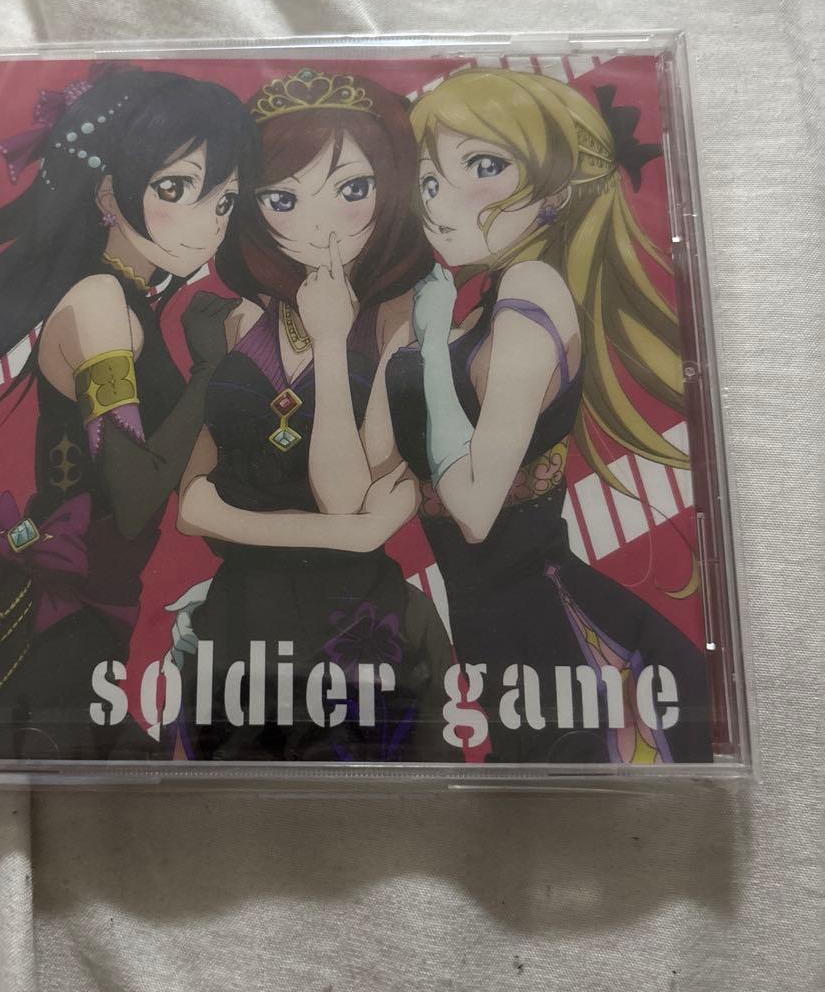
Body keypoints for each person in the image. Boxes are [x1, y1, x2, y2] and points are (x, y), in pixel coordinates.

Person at [385, 70, 712, 763]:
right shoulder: (477, 307)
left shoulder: (530, 289)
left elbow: (475, 509)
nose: (440, 203)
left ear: (555, 191)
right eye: (429, 180)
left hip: (562, 632)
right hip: (495, 628)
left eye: (484, 166)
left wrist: (433, 347)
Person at [0, 65, 258, 760]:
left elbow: (180, 485)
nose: (208, 222)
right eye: (176, 189)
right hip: (53, 616)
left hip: (101, 605)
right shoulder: (101, 304)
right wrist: (210, 372)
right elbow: (132, 497)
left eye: (225, 199)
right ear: (110, 193)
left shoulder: (136, 304)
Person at [172, 68, 453, 762]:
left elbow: (345, 500)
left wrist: (330, 342)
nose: (319, 223)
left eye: (352, 190)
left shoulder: (402, 327)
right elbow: (192, 506)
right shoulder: (237, 322)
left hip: (357, 630)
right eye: (284, 199)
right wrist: (349, 533)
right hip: (240, 617)